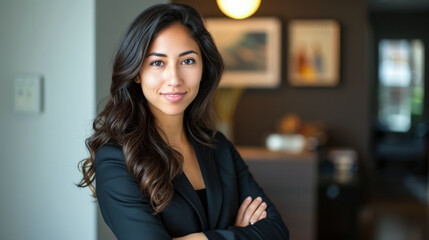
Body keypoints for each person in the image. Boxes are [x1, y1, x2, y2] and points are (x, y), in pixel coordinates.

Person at [78, 3, 289, 240]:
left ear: (203, 67)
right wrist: (238, 233)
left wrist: (200, 238)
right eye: (157, 63)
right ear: (136, 72)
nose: (175, 79)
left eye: (187, 61)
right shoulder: (117, 159)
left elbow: (277, 231)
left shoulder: (218, 147)